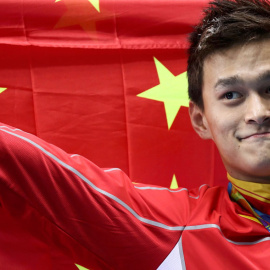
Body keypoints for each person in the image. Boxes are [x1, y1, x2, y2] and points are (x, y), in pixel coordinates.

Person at [1, 0, 270, 269]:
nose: (257, 112)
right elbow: (20, 162)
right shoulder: (176, 229)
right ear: (201, 121)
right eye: (231, 95)